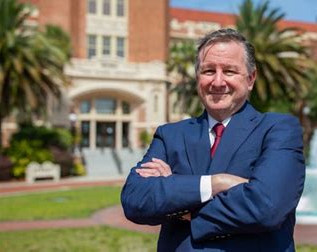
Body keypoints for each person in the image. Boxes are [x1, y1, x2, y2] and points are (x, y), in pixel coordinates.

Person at [121, 28, 306, 251]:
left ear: (250, 78)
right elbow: (135, 200)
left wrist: (181, 201)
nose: (218, 82)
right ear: (197, 76)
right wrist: (216, 183)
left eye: (229, 71)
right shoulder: (170, 136)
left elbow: (267, 207)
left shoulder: (278, 129)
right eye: (209, 71)